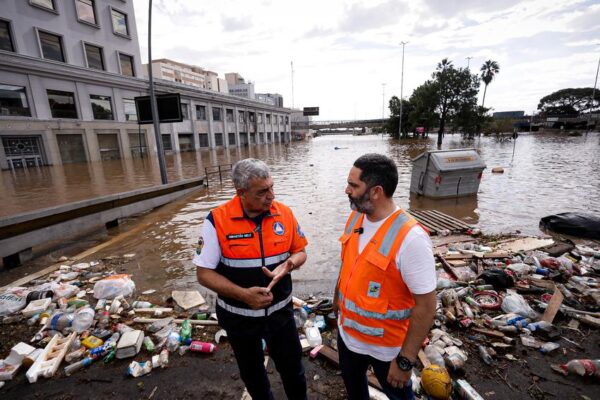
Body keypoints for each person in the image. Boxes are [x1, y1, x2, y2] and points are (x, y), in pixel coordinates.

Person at [194, 158, 308, 400]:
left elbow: (301, 251)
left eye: (272, 187)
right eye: (263, 192)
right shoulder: (217, 221)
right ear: (241, 193)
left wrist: (289, 265)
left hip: (281, 316)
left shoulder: (284, 213)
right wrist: (243, 295)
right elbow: (203, 274)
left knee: (293, 370)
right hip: (239, 320)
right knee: (253, 375)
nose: (271, 196)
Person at [334, 153, 437, 400]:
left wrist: (405, 361)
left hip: (387, 349)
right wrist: (336, 299)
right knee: (354, 390)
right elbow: (347, 264)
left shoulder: (411, 238)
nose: (347, 190)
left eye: (354, 185)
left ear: (376, 191)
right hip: (348, 337)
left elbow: (427, 305)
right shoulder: (356, 217)